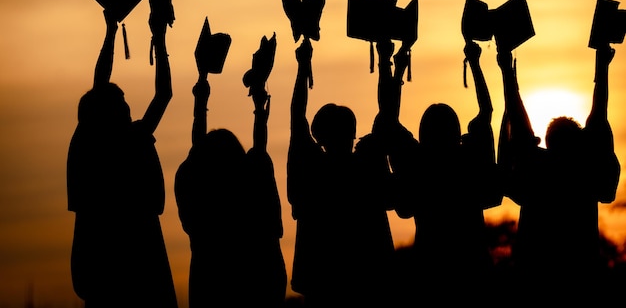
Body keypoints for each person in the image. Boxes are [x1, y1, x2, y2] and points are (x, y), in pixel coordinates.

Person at [67, 0, 178, 308]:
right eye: (124, 106)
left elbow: (103, 86)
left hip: (98, 260)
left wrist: (112, 31)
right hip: (139, 256)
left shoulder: (87, 147)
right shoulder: (129, 141)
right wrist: (158, 37)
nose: (130, 110)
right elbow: (164, 94)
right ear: (113, 114)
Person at [496, 41, 621, 302]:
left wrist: (507, 70)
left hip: (536, 276)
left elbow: (518, 124)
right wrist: (602, 67)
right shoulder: (586, 174)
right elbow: (598, 116)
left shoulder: (537, 169)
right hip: (580, 276)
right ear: (581, 145)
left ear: (549, 142)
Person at [287, 30, 398, 307]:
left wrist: (302, 68)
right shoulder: (367, 163)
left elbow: (296, 118)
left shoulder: (313, 168)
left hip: (323, 281)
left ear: (320, 136)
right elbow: (387, 114)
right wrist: (385, 62)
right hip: (367, 279)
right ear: (352, 134)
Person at [175, 33, 286, 308]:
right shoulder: (251, 184)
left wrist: (201, 91)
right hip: (257, 286)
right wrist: (259, 107)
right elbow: (258, 152)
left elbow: (198, 153)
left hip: (210, 287)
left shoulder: (200, 193)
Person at [391, 40, 503, 304]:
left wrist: (395, 69)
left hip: (430, 270)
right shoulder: (467, 158)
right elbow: (486, 112)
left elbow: (390, 121)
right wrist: (475, 63)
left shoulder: (418, 162)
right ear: (455, 130)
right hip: (472, 268)